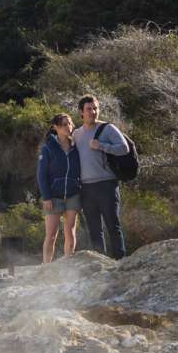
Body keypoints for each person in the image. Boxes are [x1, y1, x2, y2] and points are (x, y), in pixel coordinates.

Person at [76, 95, 131, 259]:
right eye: (89, 109)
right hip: (86, 188)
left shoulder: (108, 129)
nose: (93, 112)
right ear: (81, 112)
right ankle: (101, 263)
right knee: (94, 229)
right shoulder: (77, 134)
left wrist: (101, 146)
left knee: (113, 225)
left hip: (107, 184)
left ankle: (121, 262)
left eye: (95, 108)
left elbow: (124, 148)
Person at [36, 112, 81, 263]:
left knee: (70, 232)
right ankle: (46, 267)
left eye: (70, 124)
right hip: (53, 197)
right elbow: (41, 175)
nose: (68, 127)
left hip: (73, 195)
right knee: (51, 235)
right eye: (64, 124)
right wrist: (46, 197)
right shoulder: (48, 148)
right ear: (55, 127)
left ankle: (68, 264)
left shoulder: (76, 146)